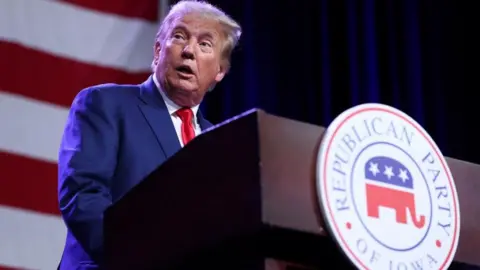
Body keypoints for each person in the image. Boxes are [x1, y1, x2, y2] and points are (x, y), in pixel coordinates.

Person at [56, 1, 242, 269]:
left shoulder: (220, 145)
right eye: (179, 36)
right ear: (157, 51)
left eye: (205, 44)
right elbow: (83, 198)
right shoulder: (105, 105)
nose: (189, 51)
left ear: (220, 72)